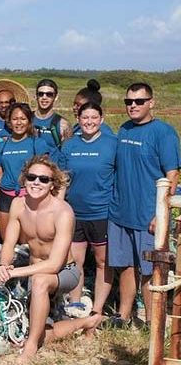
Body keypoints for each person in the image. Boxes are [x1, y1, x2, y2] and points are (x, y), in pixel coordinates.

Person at [0, 155, 99, 364]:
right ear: (24, 179)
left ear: (53, 185)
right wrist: (3, 268)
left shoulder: (62, 212)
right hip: (34, 271)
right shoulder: (18, 205)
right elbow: (8, 244)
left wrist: (13, 273)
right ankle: (88, 322)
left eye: (44, 179)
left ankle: (30, 349)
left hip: (64, 272)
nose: (36, 183)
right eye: (32, 177)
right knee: (45, 335)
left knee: (41, 280)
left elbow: (54, 264)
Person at [108, 82, 180, 325]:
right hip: (120, 212)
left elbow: (172, 175)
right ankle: (125, 316)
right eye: (129, 102)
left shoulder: (164, 132)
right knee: (125, 266)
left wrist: (161, 213)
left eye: (139, 101)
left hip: (148, 214)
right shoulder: (124, 129)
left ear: (152, 102)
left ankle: (152, 323)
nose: (133, 106)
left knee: (150, 271)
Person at [61, 102, 117, 317]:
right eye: (85, 118)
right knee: (75, 262)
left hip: (102, 213)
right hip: (74, 213)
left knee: (103, 262)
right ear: (79, 119)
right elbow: (62, 179)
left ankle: (97, 309)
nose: (89, 122)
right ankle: (76, 305)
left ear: (101, 120)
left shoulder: (112, 144)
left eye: (94, 117)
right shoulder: (70, 145)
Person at [0, 103, 53, 235]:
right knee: (6, 238)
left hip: (29, 197)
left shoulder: (37, 143)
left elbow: (47, 173)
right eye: (15, 119)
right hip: (5, 197)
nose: (19, 123)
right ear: (9, 122)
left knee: (27, 242)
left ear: (29, 121)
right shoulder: (2, 145)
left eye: (23, 119)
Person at [32, 79, 71, 148]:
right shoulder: (27, 119)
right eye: (41, 94)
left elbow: (68, 152)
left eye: (49, 94)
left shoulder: (63, 124)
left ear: (56, 97)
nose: (44, 97)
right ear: (36, 96)